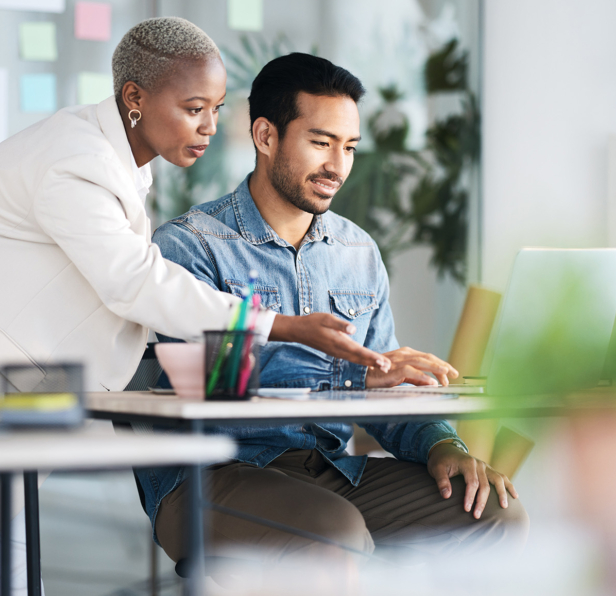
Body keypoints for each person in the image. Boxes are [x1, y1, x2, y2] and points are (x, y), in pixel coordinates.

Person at [0, 19, 391, 594]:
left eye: (215, 108)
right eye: (193, 108)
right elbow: (132, 282)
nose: (210, 126)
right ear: (135, 98)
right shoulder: (76, 160)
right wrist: (286, 326)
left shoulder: (112, 163)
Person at [139, 53, 529, 571]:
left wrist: (442, 445)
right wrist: (355, 378)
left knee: (494, 516)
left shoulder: (357, 252)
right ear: (265, 136)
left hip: (332, 470)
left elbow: (385, 384)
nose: (337, 166)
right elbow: (214, 388)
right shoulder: (191, 247)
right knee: (334, 533)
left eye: (348, 147)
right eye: (321, 143)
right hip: (212, 473)